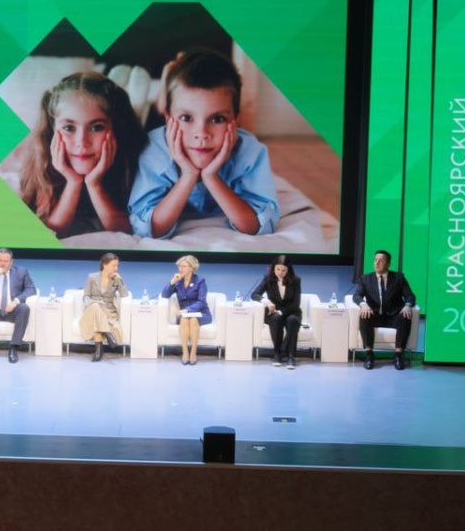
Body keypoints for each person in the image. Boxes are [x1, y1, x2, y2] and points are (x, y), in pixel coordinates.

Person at [128, 49, 280, 238]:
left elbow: (256, 226)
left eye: (217, 119)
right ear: (168, 118)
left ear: (236, 121)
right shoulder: (154, 151)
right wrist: (188, 176)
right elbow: (150, 229)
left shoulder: (250, 152)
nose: (202, 134)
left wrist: (211, 177)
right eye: (186, 118)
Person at [20, 71, 148, 237]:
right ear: (52, 130)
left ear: (114, 129)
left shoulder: (130, 163)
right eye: (69, 128)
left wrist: (94, 184)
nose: (82, 141)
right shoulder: (42, 165)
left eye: (96, 127)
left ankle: (137, 103)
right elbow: (53, 231)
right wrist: (73, 182)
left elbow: (125, 232)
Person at [348, 249, 417, 370]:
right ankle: (369, 355)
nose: (377, 263)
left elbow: (410, 295)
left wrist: (407, 305)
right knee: (365, 316)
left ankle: (398, 355)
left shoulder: (399, 278)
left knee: (405, 317)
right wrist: (363, 304)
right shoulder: (366, 279)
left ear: (388, 263)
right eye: (375, 260)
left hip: (393, 315)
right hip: (375, 315)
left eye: (381, 261)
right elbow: (356, 295)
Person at [250, 254, 303, 369]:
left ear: (288, 270)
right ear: (273, 268)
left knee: (293, 320)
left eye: (283, 270)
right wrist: (266, 301)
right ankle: (277, 353)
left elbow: (296, 303)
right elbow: (254, 294)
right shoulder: (268, 278)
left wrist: (282, 311)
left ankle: (290, 356)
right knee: (275, 318)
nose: (280, 272)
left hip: (291, 311)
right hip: (274, 313)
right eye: (277, 269)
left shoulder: (296, 280)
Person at [163, 254, 210, 365]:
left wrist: (188, 310)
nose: (180, 269)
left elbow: (201, 301)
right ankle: (185, 352)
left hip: (201, 313)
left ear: (192, 268)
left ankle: (193, 352)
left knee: (193, 320)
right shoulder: (178, 282)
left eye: (183, 266)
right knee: (184, 320)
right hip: (184, 315)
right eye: (179, 266)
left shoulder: (200, 281)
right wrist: (172, 282)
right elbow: (165, 295)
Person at [81, 253, 128, 362]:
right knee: (95, 307)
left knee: (96, 318)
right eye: (113, 265)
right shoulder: (92, 277)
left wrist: (120, 280)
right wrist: (94, 303)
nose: (116, 268)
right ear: (104, 265)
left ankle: (98, 350)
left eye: (117, 266)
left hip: (108, 312)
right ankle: (107, 333)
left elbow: (124, 294)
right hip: (92, 309)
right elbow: (86, 296)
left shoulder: (116, 279)